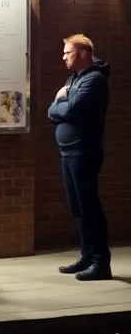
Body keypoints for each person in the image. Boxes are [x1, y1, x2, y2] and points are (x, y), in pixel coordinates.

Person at [47, 34, 112, 281]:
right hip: (68, 152)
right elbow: (52, 112)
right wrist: (59, 101)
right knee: (77, 207)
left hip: (84, 152)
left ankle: (100, 262)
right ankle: (87, 255)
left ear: (83, 53)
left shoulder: (93, 80)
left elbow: (72, 110)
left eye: (68, 52)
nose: (64, 57)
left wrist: (61, 101)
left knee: (89, 207)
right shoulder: (75, 78)